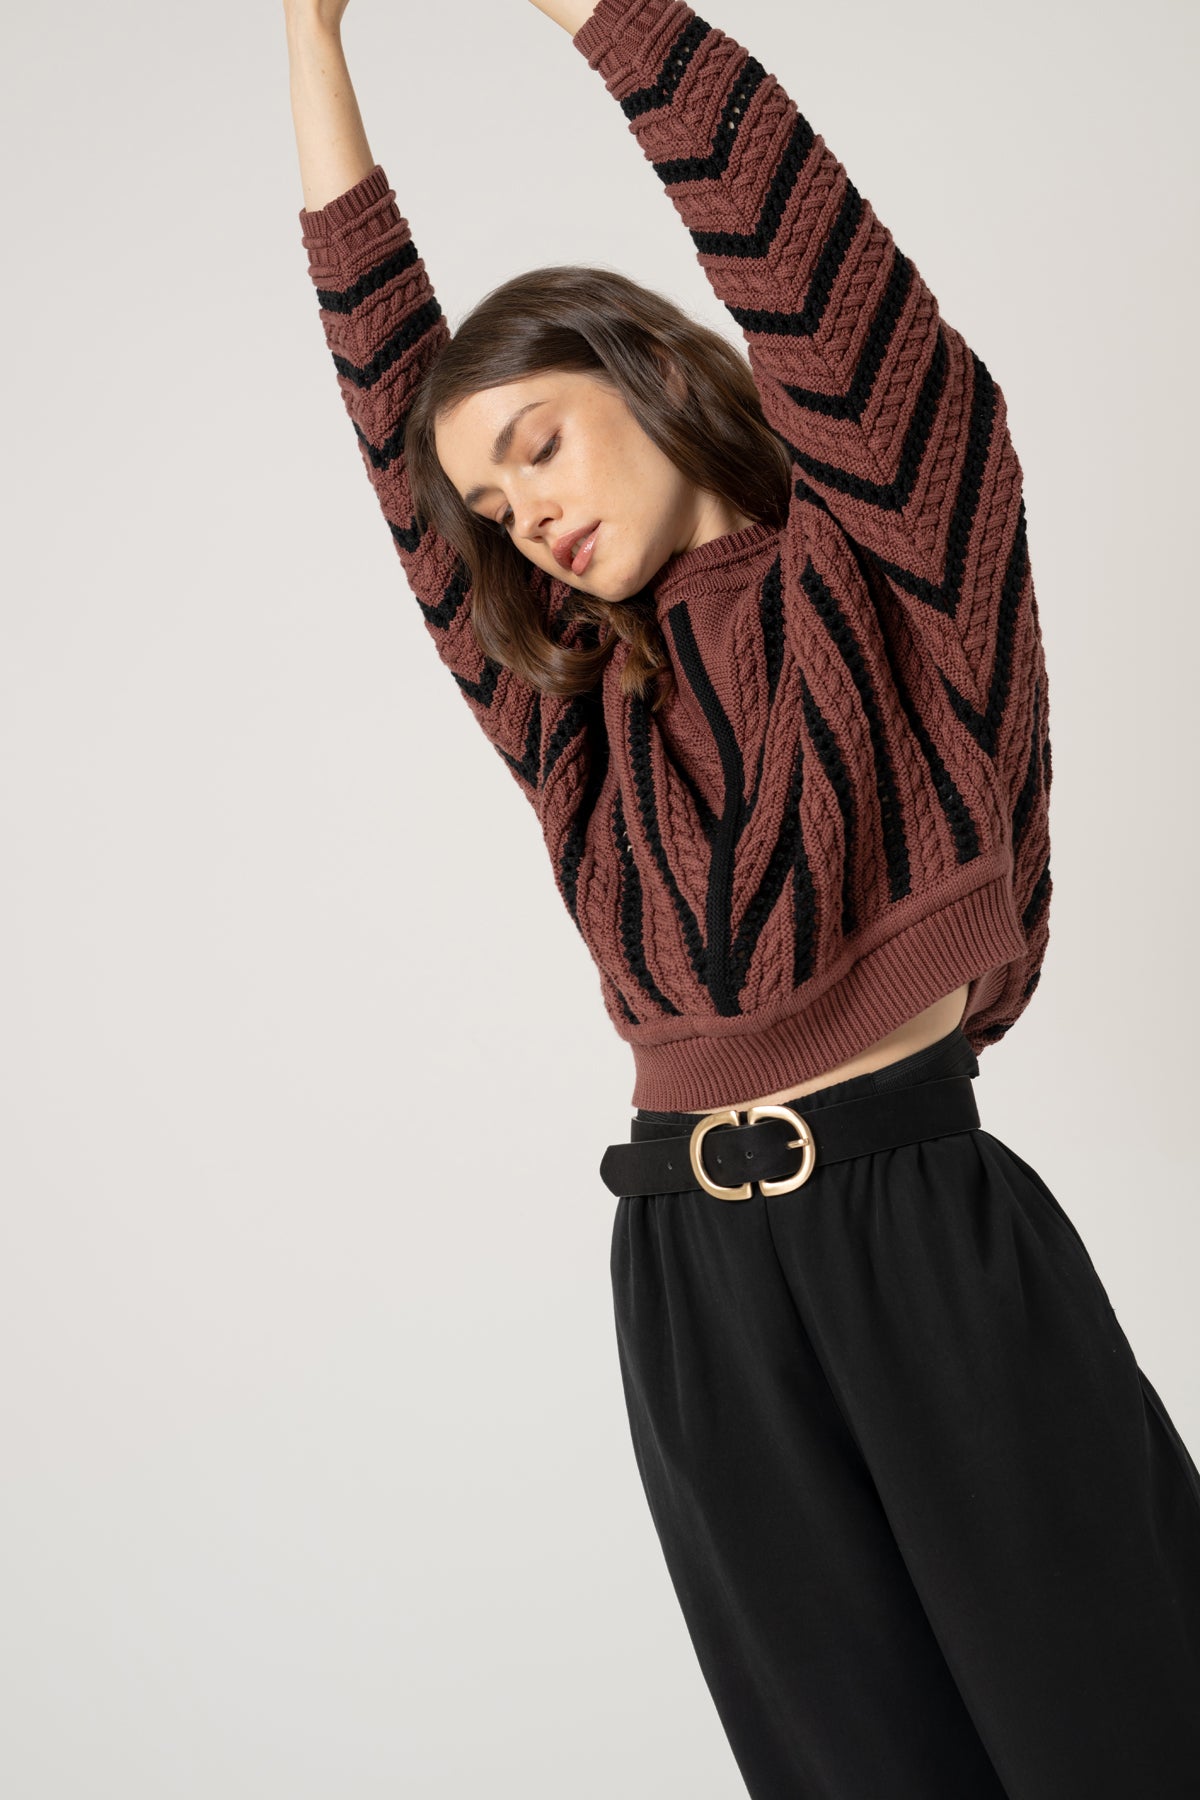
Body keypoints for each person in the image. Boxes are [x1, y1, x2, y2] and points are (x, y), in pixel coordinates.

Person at [282, 0, 1200, 1791]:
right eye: (491, 505)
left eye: (540, 445)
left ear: (643, 376)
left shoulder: (899, 570)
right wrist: (310, 36)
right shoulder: (574, 713)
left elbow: (817, 264)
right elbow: (391, 406)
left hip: (920, 1227)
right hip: (693, 1284)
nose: (522, 516)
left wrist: (598, 13)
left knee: (1127, 1731)